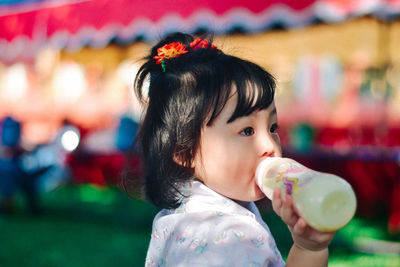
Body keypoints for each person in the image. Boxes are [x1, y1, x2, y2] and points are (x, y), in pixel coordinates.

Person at [131, 32, 335, 266]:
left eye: (273, 127)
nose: (270, 146)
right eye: (247, 131)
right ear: (183, 150)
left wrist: (308, 247)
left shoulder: (185, 217)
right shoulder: (222, 239)